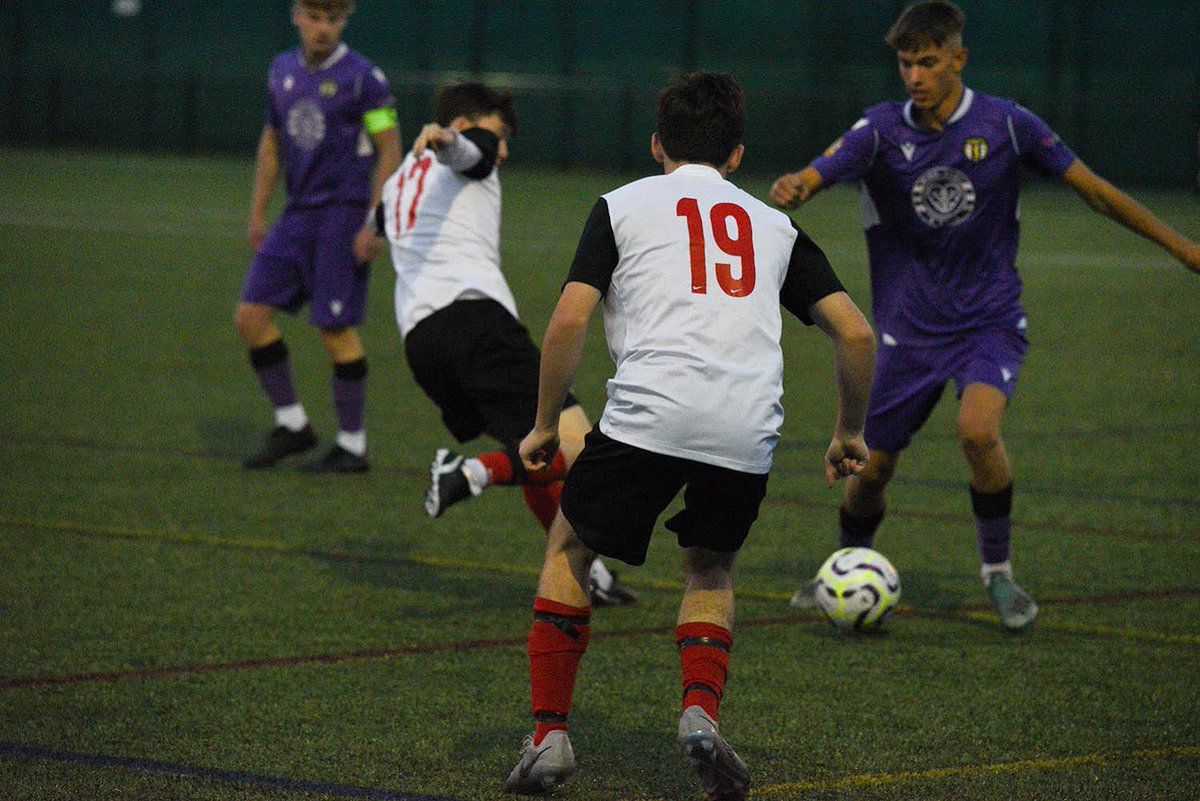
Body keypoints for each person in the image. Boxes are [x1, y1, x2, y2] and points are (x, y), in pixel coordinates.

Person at [770, 0, 1200, 631]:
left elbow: (1095, 191)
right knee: (872, 470)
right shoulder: (882, 128)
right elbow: (819, 171)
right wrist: (798, 185)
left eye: (928, 61)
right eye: (905, 62)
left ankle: (997, 574)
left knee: (978, 433)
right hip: (906, 331)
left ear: (958, 59)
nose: (914, 75)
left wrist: (1181, 246)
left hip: (987, 321)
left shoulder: (1008, 123)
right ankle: (844, 563)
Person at [502, 72, 876, 799]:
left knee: (570, 549)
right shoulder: (774, 225)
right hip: (745, 428)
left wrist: (547, 423)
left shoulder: (622, 205)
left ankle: (549, 735)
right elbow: (856, 333)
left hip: (649, 412)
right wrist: (848, 431)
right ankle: (700, 713)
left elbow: (571, 319)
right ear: (736, 155)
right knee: (709, 569)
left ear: (656, 145)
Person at [375, 82, 636, 607]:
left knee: (534, 444)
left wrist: (442, 146)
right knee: (575, 447)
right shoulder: (466, 147)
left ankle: (587, 574)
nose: (505, 149)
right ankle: (470, 472)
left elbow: (380, 225)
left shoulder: (400, 178)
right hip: (474, 324)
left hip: (421, 343)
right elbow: (472, 153)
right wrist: (456, 141)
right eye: (501, 131)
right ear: (472, 121)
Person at [236, 0, 401, 473]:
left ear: (343, 22)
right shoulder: (281, 69)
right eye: (315, 18)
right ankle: (293, 426)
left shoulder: (363, 78)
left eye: (333, 20)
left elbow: (390, 148)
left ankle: (353, 444)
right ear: (296, 15)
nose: (323, 28)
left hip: (342, 216)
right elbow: (271, 143)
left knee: (334, 330)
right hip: (295, 216)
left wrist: (375, 218)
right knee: (250, 318)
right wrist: (257, 213)